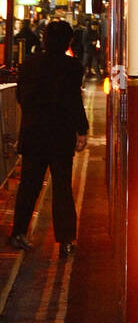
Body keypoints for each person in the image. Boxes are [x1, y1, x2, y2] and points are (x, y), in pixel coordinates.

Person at [6, 20, 88, 257]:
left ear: (44, 39)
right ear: (68, 41)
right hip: (61, 136)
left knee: (29, 185)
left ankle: (19, 233)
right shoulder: (72, 67)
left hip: (34, 133)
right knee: (62, 187)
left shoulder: (30, 64)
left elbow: (21, 96)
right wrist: (81, 130)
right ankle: (66, 240)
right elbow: (74, 102)